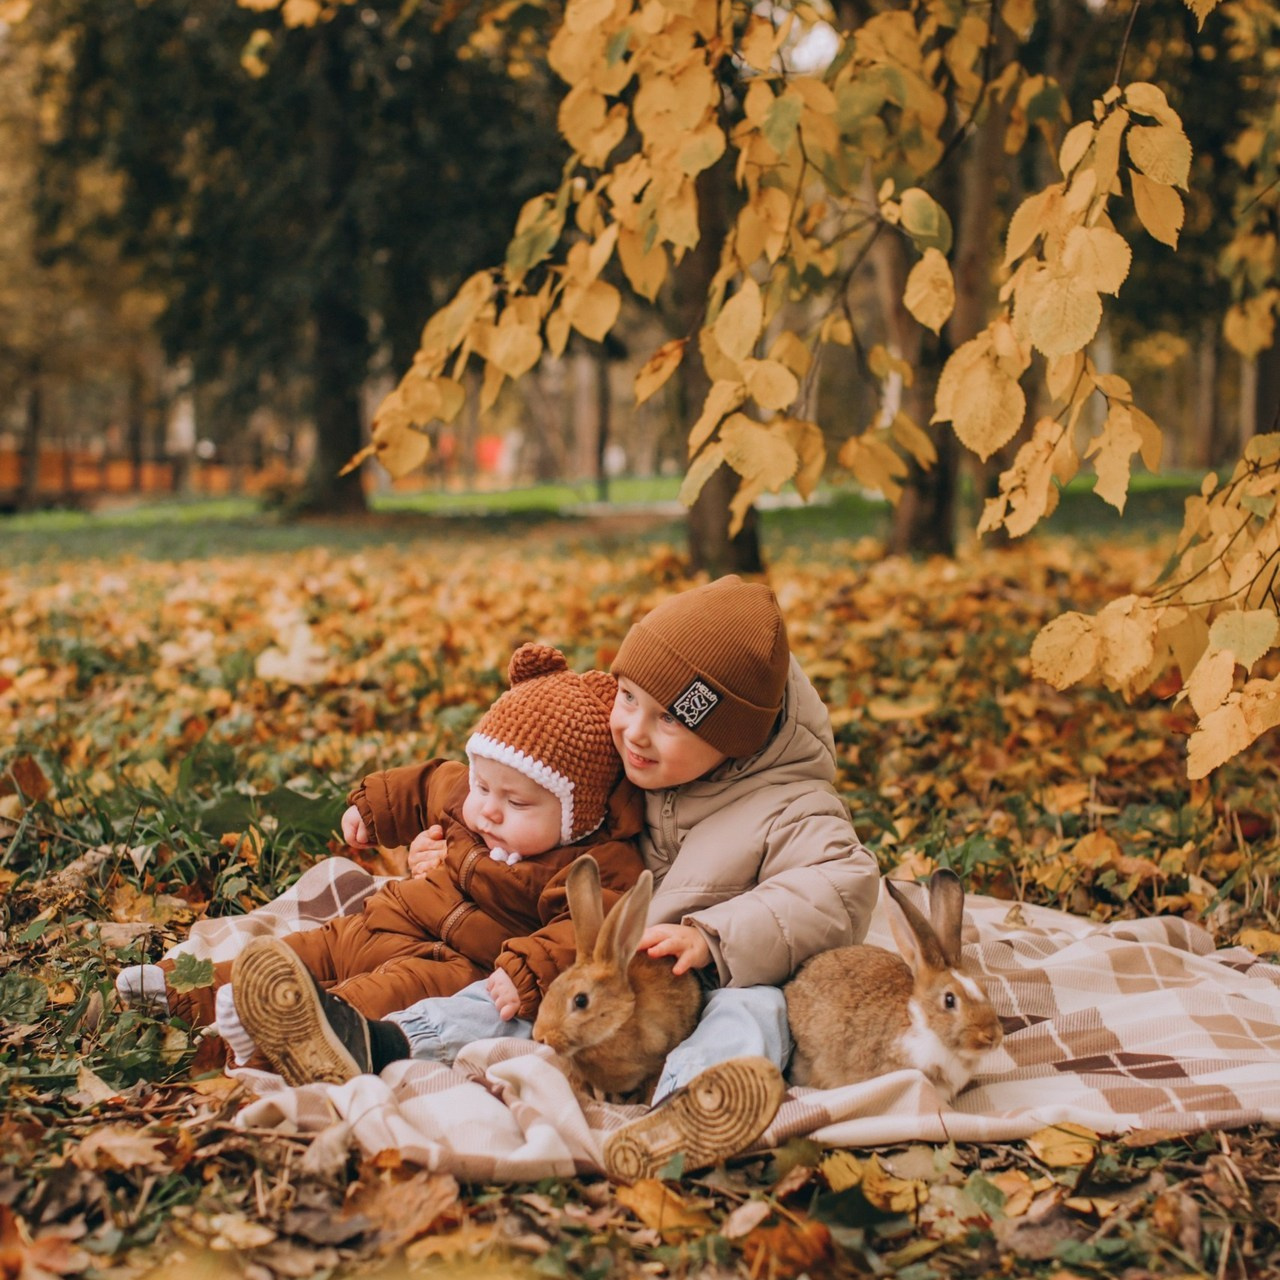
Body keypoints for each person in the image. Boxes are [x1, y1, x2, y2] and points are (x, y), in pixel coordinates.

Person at [232, 577, 879, 1179]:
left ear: (735, 738)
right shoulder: (630, 758)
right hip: (608, 971)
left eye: (671, 720)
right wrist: (464, 847)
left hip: (720, 978)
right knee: (524, 993)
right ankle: (381, 1040)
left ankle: (688, 1111)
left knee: (754, 1012)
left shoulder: (793, 803)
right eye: (629, 698)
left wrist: (717, 938)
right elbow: (529, 799)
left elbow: (838, 885)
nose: (635, 732)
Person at [116, 644, 644, 1078]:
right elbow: (424, 784)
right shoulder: (470, 795)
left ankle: (275, 1037)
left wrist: (526, 971)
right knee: (308, 949)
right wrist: (372, 811)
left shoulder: (592, 860)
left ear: (579, 812)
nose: (489, 809)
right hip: (394, 915)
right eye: (484, 784)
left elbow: (585, 931)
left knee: (373, 995)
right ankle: (188, 989)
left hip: (456, 964)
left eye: (518, 802)